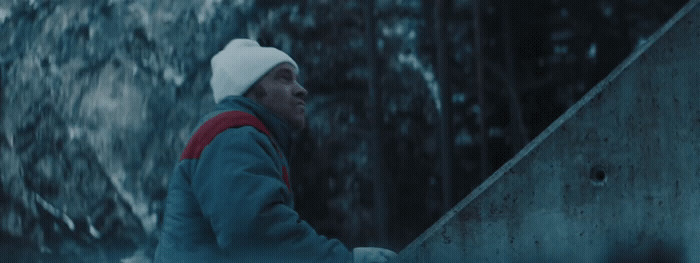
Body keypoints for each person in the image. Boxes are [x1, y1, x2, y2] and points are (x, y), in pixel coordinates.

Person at [154, 39, 397, 262]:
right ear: (253, 91)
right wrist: (346, 260)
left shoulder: (240, 136)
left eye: (297, 80)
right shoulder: (230, 133)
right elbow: (257, 233)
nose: (301, 90)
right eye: (284, 78)